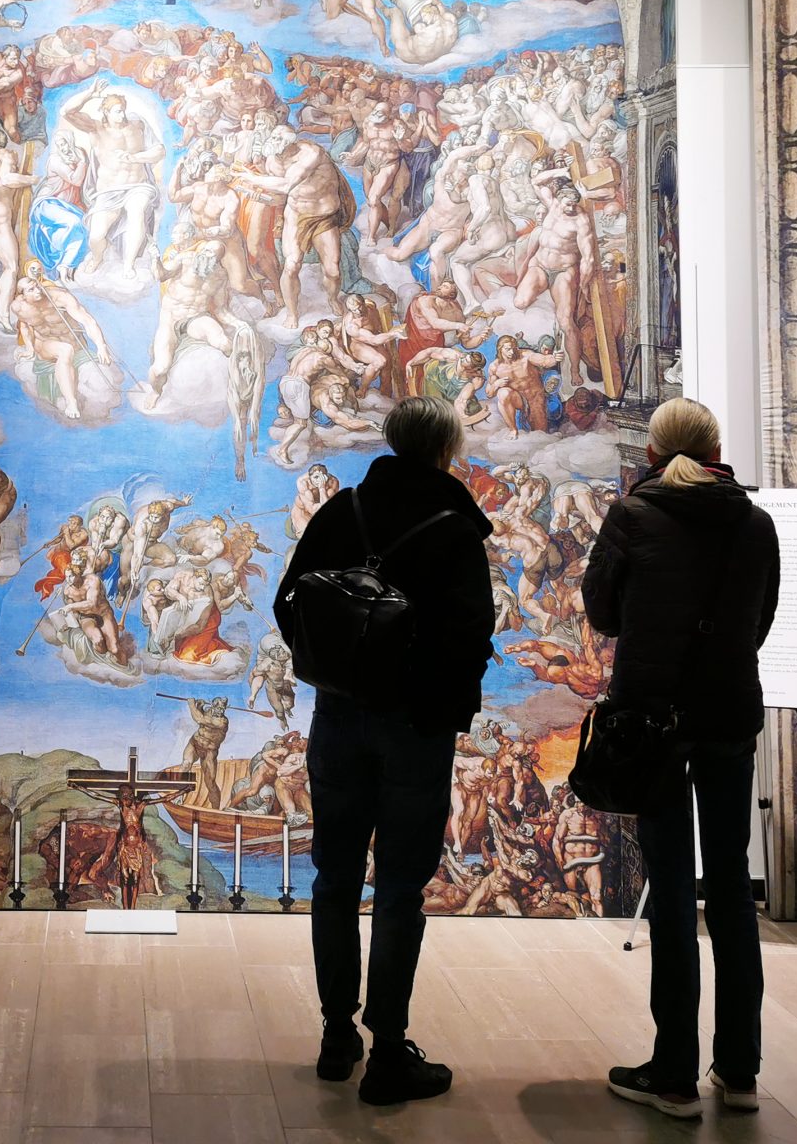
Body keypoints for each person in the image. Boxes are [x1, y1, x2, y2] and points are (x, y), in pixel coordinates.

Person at [274, 395, 496, 1106]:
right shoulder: (454, 527)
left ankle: (336, 1035)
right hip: (416, 727)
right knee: (400, 888)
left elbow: (288, 603)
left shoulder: (344, 511)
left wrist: (333, 672)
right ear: (447, 449)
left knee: (334, 878)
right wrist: (441, 698)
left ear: (393, 441)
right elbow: (473, 633)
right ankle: (389, 1052)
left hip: (338, 718)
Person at [583, 397, 781, 1121]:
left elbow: (602, 612)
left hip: (653, 723)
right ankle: (741, 1071)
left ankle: (673, 1076)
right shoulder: (755, 523)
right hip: (728, 715)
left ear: (651, 453)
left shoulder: (633, 515)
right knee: (729, 890)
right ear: (716, 450)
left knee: (670, 891)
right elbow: (760, 622)